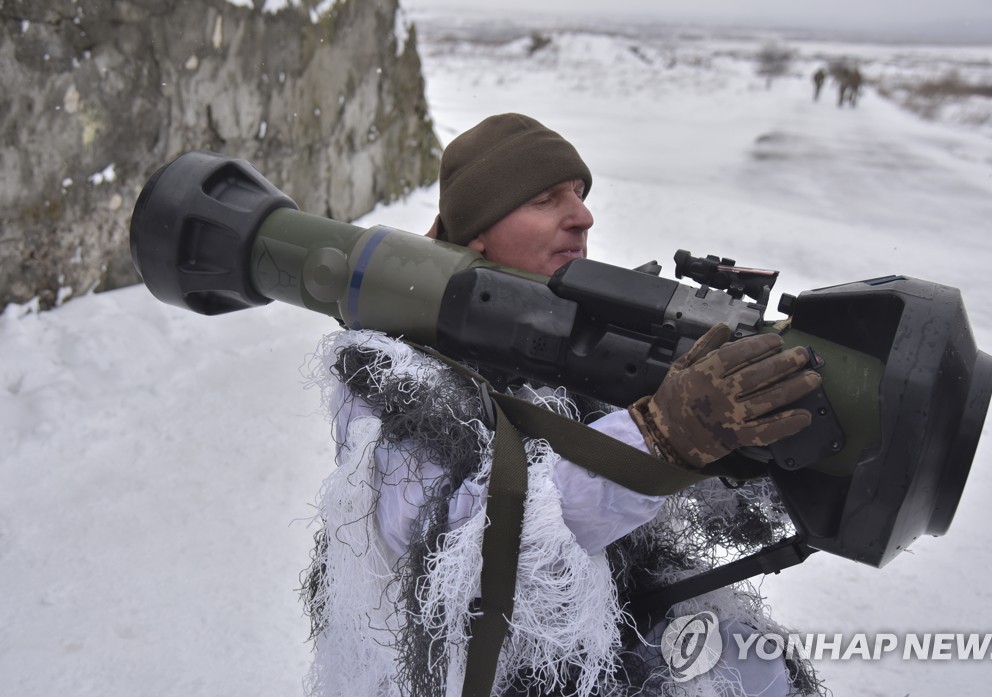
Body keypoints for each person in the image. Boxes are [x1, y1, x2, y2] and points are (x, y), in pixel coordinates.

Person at [302, 114, 824, 697]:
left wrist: (758, 446)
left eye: (578, 194)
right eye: (547, 200)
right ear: (478, 232)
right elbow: (463, 561)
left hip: (583, 641)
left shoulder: (571, 336)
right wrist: (654, 439)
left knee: (747, 662)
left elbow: (682, 510)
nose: (582, 215)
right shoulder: (399, 382)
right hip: (462, 673)